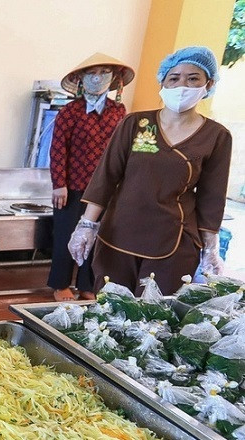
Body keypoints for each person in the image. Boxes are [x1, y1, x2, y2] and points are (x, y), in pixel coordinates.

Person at [68, 46, 232, 295]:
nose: (182, 86)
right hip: (119, 233)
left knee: (155, 317)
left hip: (173, 239)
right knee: (111, 309)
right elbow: (107, 175)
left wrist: (210, 248)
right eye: (174, 78)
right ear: (163, 82)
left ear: (208, 84)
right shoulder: (136, 123)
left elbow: (212, 196)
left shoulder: (216, 136)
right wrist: (87, 225)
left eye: (193, 78)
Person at [48, 53, 134, 302]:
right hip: (72, 188)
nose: (98, 78)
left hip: (105, 189)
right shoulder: (70, 111)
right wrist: (59, 184)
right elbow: (57, 149)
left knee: (95, 238)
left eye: (104, 72)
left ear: (114, 79)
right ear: (81, 79)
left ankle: (87, 283)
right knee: (66, 235)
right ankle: (60, 283)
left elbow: (121, 151)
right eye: (92, 73)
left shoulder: (119, 112)